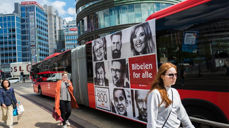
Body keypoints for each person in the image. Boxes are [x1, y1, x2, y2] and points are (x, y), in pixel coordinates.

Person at [147, 62, 194, 128]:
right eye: (170, 75)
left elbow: (182, 114)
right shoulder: (155, 93)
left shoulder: (175, 92)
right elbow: (152, 120)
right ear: (162, 76)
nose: (174, 77)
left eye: (175, 74)